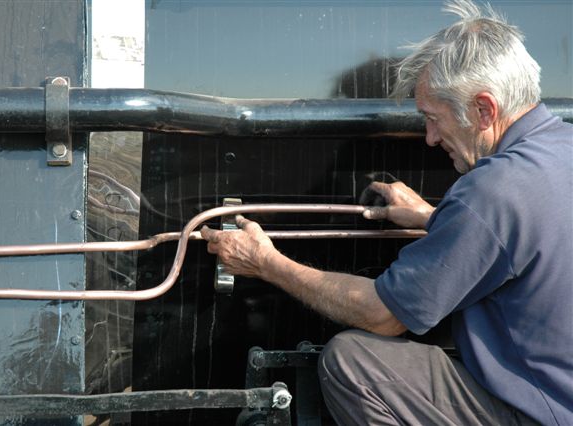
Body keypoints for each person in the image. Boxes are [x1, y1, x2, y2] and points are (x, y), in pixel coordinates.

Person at [201, 0, 572, 424]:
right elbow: (532, 238)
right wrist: (439, 219)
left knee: (354, 363)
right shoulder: (562, 149)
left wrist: (266, 263)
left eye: (433, 119)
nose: (431, 138)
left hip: (544, 413)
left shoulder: (493, 192)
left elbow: (384, 315)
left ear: (484, 109)